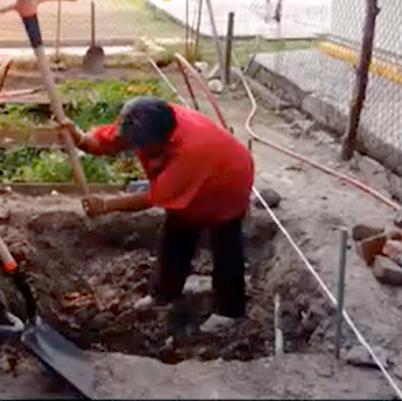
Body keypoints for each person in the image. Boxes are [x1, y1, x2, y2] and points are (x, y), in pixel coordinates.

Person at [58, 97, 255, 334]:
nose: (137, 151)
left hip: (227, 181)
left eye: (142, 146)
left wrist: (106, 205)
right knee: (176, 234)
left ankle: (229, 312)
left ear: (161, 140)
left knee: (225, 243)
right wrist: (79, 138)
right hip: (191, 173)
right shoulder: (140, 121)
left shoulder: (192, 150)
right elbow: (108, 141)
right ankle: (164, 294)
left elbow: (152, 197)